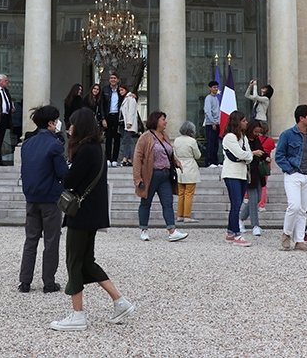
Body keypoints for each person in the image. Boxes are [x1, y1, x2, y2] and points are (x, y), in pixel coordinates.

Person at [50, 108, 135, 331]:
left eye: (72, 124)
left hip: (81, 214)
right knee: (87, 261)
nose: (69, 128)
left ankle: (78, 315)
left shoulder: (85, 150)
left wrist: (63, 166)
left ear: (80, 126)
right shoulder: (96, 148)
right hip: (92, 212)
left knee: (74, 261)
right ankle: (120, 301)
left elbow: (70, 180)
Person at [18, 105, 68, 294]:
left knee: (31, 240)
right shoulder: (54, 144)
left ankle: (25, 281)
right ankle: (48, 281)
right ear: (51, 123)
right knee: (51, 240)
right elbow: (62, 172)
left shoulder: (27, 144)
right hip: (50, 198)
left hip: (31, 197)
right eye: (56, 121)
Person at [274, 104, 307, 253]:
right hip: (293, 175)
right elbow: (279, 155)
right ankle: (286, 234)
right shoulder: (287, 135)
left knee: (303, 210)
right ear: (301, 118)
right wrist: (290, 170)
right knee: (294, 206)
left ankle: (299, 241)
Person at [133, 111, 188, 242]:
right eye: (163, 119)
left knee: (168, 203)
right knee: (146, 202)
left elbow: (168, 152)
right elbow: (137, 158)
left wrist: (176, 162)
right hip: (151, 175)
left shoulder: (165, 136)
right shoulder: (145, 137)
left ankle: (172, 230)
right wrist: (138, 178)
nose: (166, 122)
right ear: (156, 121)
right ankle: (144, 229)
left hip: (165, 175)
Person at [221, 110, 256, 247]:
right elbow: (241, 154)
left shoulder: (243, 137)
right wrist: (246, 156)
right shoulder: (229, 137)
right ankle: (236, 233)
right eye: (243, 120)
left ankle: (230, 232)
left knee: (237, 203)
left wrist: (246, 156)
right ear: (237, 122)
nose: (246, 123)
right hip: (231, 174)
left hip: (242, 173)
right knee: (235, 203)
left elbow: (247, 156)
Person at [239, 120, 269, 236]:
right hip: (249, 173)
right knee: (253, 198)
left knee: (257, 198)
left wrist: (266, 157)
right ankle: (255, 225)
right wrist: (253, 153)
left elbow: (262, 151)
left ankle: (240, 219)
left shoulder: (256, 140)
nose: (257, 134)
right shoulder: (243, 139)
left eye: (259, 132)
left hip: (258, 173)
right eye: (256, 132)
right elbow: (242, 154)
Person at [173, 121, 201, 223]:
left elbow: (174, 154)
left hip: (179, 167)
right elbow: (197, 155)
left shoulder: (176, 140)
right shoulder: (192, 141)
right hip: (190, 167)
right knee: (189, 193)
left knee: (181, 193)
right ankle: (187, 216)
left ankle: (179, 215)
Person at [101, 72, 122, 166]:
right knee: (108, 138)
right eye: (111, 78)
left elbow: (128, 96)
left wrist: (134, 95)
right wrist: (103, 118)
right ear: (109, 80)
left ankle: (115, 159)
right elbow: (102, 105)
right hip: (108, 116)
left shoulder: (120, 90)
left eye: (114, 78)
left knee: (117, 138)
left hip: (118, 116)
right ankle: (108, 158)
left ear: (117, 80)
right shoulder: (105, 90)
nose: (113, 80)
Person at [119, 86, 139, 167]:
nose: (121, 92)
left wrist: (129, 122)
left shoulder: (130, 98)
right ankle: (129, 159)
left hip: (128, 123)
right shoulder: (125, 98)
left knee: (127, 141)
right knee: (127, 140)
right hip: (124, 123)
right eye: (120, 90)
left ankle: (125, 158)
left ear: (126, 90)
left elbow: (131, 111)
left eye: (122, 90)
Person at [203, 81, 221, 167]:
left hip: (217, 123)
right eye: (214, 87)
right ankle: (209, 162)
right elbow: (207, 111)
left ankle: (215, 161)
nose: (216, 89)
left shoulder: (216, 98)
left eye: (217, 87)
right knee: (210, 144)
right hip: (210, 124)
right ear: (210, 88)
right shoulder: (208, 98)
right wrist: (213, 122)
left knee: (215, 144)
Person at [257, 127, 276, 209]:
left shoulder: (256, 139)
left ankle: (247, 198)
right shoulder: (270, 140)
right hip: (265, 165)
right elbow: (272, 147)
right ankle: (262, 204)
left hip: (256, 163)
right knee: (263, 185)